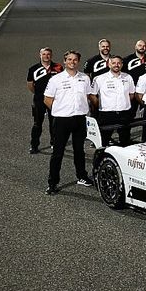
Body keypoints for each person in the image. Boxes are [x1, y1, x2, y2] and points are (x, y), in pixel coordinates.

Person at [43, 50, 93, 194]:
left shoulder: (85, 78)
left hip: (79, 119)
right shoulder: (56, 79)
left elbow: (88, 96)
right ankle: (52, 183)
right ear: (64, 61)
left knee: (79, 151)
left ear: (78, 61)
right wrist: (60, 110)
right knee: (58, 153)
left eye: (75, 59)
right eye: (69, 59)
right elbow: (47, 99)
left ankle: (82, 176)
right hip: (61, 120)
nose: (72, 62)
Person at [89, 55, 135, 146]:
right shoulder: (99, 78)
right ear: (109, 64)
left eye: (118, 63)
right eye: (113, 63)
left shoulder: (128, 77)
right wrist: (100, 105)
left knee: (125, 141)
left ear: (122, 65)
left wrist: (124, 103)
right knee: (104, 141)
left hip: (124, 113)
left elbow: (131, 94)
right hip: (107, 114)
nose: (116, 65)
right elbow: (92, 95)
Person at [27, 47, 63, 154]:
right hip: (39, 100)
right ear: (40, 55)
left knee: (54, 123)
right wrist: (39, 94)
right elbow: (30, 85)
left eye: (48, 54)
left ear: (51, 55)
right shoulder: (33, 69)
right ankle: (34, 145)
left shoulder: (58, 67)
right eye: (44, 54)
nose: (46, 56)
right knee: (37, 124)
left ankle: (54, 143)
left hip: (55, 100)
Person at [123, 39, 146, 119]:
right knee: (130, 113)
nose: (142, 47)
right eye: (140, 45)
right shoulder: (127, 60)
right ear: (135, 47)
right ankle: (126, 131)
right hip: (132, 90)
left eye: (144, 46)